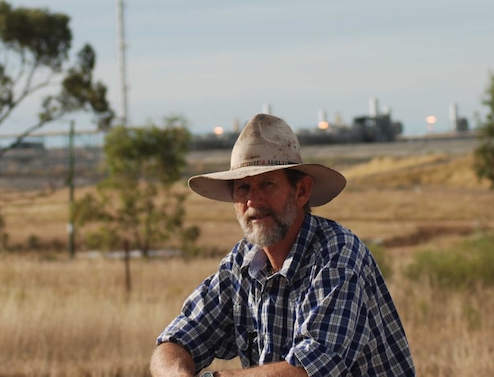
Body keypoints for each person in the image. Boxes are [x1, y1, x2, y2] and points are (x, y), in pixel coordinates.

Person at [150, 113, 415, 377]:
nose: (253, 201)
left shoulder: (337, 255)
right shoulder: (241, 263)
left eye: (267, 184)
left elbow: (311, 371)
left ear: (301, 191)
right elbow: (176, 340)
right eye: (242, 189)